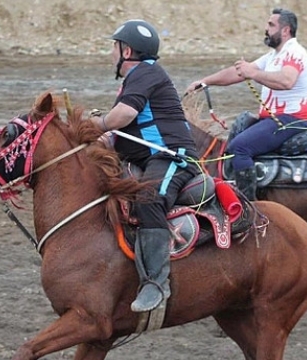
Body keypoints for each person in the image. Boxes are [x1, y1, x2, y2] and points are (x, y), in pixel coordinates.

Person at [90, 19, 200, 313]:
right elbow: (123, 131)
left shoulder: (145, 72)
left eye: (114, 47)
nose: (111, 54)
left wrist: (93, 126)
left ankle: (156, 284)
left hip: (173, 157)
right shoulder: (136, 78)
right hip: (146, 158)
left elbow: (121, 117)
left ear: (127, 50)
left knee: (148, 197)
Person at [185, 8, 307, 200]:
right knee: (235, 134)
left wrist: (252, 73)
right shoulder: (273, 56)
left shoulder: (294, 53)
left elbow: (287, 81)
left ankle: (249, 206)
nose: (266, 29)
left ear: (285, 30)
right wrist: (205, 82)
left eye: (271, 25)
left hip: (290, 120)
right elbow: (237, 73)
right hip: (273, 119)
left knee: (240, 148)